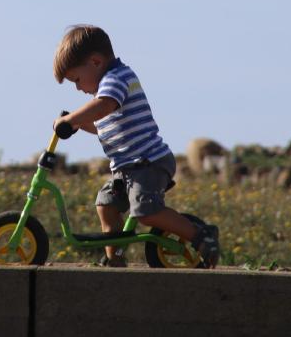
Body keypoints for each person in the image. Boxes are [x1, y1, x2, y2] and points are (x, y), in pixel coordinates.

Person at [52, 24, 220, 268]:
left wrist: (71, 119)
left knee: (146, 212)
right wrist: (76, 124)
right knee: (105, 205)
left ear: (96, 62)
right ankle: (115, 258)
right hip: (127, 169)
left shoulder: (116, 79)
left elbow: (104, 106)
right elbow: (102, 126)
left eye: (77, 80)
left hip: (148, 162)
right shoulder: (107, 91)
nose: (78, 88)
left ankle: (201, 236)